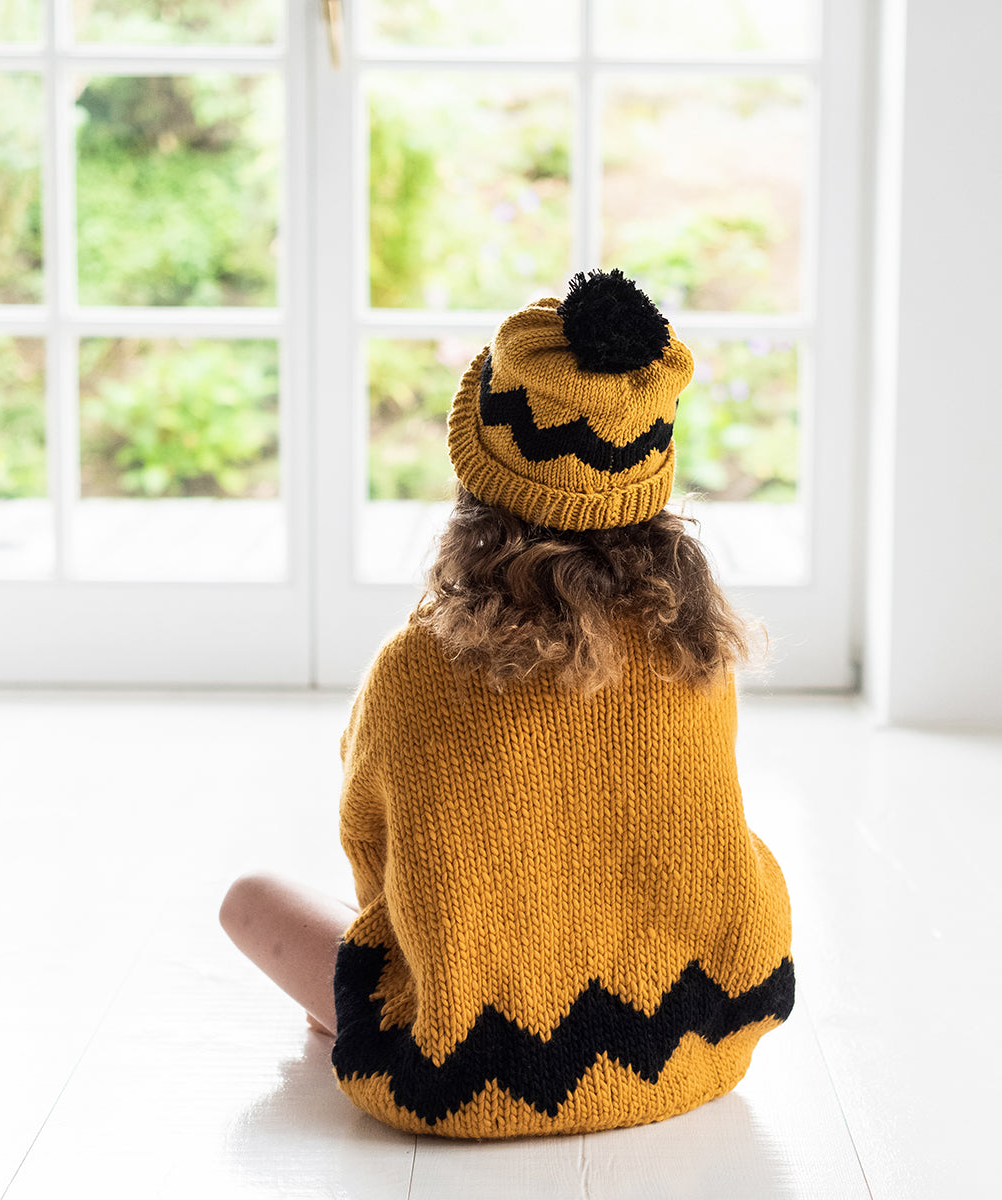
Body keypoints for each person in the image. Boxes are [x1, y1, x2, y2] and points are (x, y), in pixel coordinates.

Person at [220, 269, 794, 1139]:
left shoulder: (416, 667)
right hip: (696, 1037)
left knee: (250, 898)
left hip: (464, 1068)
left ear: (474, 472)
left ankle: (361, 1017)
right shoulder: (693, 648)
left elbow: (373, 845)